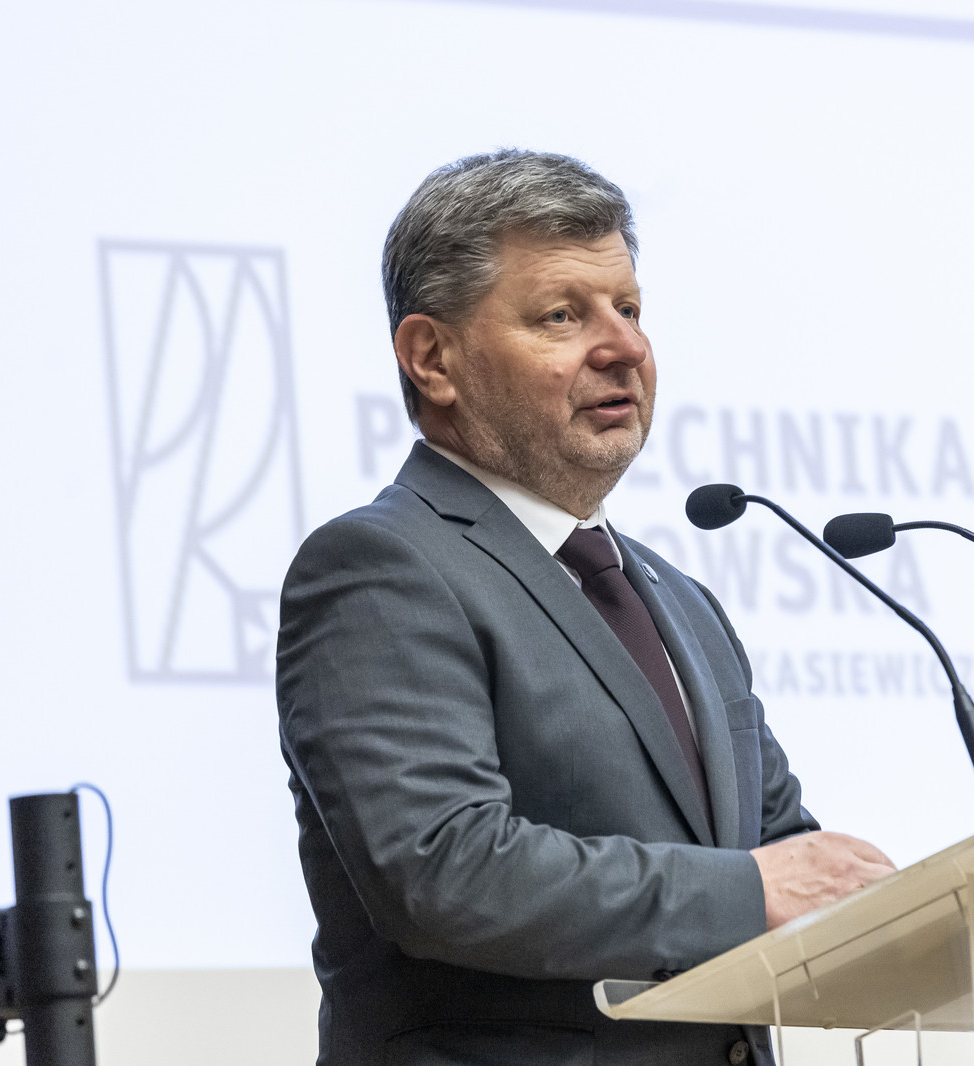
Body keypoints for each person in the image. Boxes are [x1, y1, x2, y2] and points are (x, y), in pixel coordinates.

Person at [275, 149, 896, 1066]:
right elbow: (442, 869)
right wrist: (746, 894)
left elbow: (781, 857)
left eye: (629, 310)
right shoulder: (381, 568)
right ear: (432, 358)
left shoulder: (684, 603)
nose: (625, 348)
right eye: (562, 316)